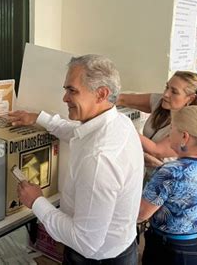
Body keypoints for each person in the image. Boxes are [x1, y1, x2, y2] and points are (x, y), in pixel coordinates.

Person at [9, 55, 144, 265]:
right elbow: (78, 133)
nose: (64, 98)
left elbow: (85, 242)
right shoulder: (118, 122)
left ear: (101, 94)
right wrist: (39, 118)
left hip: (96, 259)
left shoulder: (99, 160)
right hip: (122, 248)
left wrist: (36, 202)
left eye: (72, 90)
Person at [138, 105, 197, 265]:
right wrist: (159, 167)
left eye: (171, 129)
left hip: (172, 252)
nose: (168, 134)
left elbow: (141, 214)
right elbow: (187, 181)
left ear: (184, 137)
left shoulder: (170, 172)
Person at [116, 71, 197, 167]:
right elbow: (122, 99)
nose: (166, 94)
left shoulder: (192, 124)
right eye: (167, 87)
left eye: (174, 92)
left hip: (169, 177)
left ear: (190, 99)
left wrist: (124, 124)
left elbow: (157, 151)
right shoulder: (160, 101)